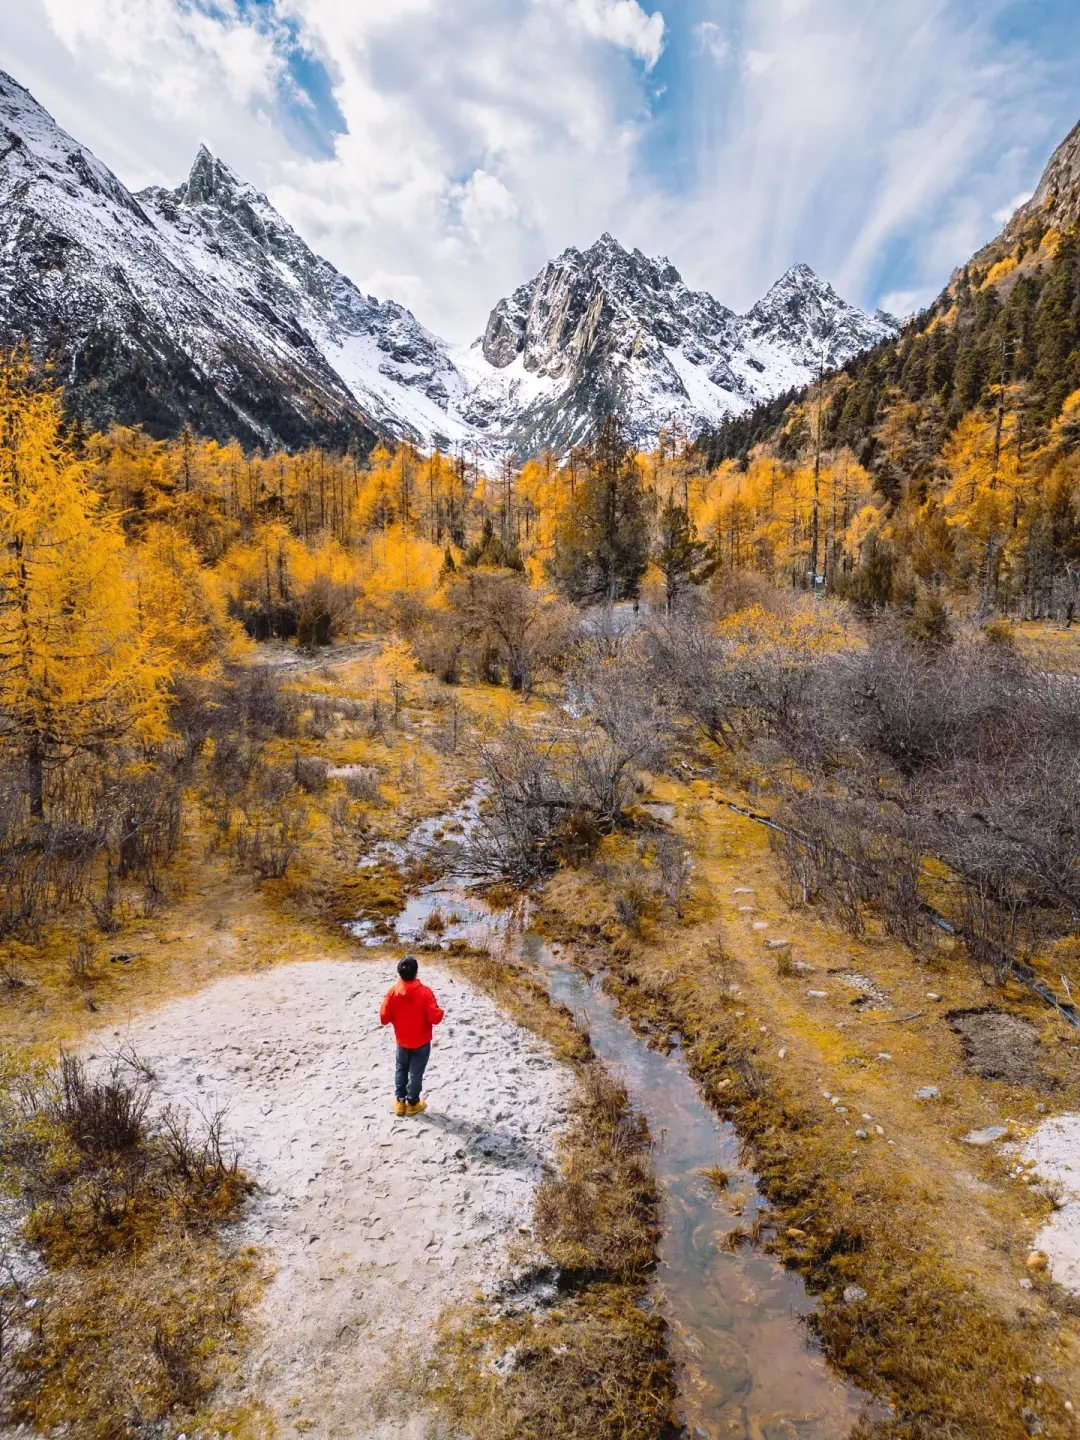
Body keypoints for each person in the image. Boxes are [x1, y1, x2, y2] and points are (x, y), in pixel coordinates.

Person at [379, 955, 445, 1116]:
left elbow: (384, 1018)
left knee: (401, 1068)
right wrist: (441, 1011)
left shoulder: (393, 992)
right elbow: (435, 1018)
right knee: (416, 1072)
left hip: (402, 1040)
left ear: (399, 973)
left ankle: (400, 1102)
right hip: (421, 1041)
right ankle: (413, 1103)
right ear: (416, 972)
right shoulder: (425, 992)